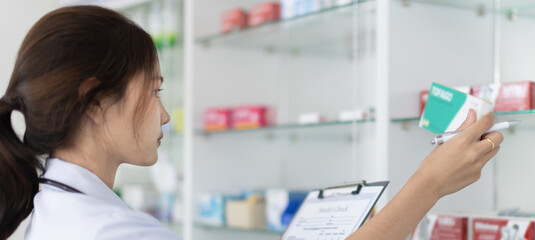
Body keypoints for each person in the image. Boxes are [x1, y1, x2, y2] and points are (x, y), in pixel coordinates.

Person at [0, 6, 503, 240]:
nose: (166, 113)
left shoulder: (57, 206)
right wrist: (429, 184)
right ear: (94, 100)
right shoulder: (114, 232)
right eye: (153, 90)